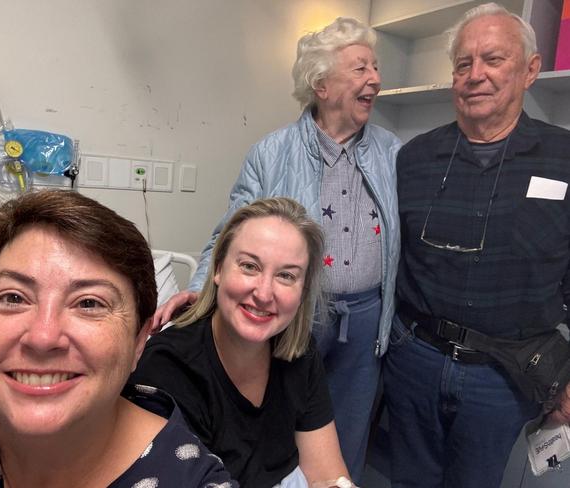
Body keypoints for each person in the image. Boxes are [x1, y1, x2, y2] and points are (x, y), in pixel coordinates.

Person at [154, 17, 402, 481]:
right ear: (322, 84)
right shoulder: (272, 152)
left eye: (375, 67)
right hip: (295, 309)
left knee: (345, 431)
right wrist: (197, 293)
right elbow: (231, 233)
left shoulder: (391, 151)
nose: (375, 79)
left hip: (366, 317)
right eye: (360, 68)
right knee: (278, 419)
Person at [0, 189, 236, 487]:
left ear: (139, 342)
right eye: (14, 297)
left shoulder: (188, 478)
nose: (43, 337)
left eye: (89, 303)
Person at [384, 3, 570, 487]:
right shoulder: (414, 158)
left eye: (493, 59)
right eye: (463, 64)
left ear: (530, 70)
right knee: (407, 480)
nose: (475, 75)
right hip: (414, 361)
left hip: (505, 376)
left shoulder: (564, 158)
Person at [131, 197, 355, 488]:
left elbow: (328, 475)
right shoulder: (168, 368)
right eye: (249, 266)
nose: (263, 293)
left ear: (303, 290)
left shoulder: (300, 353)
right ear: (218, 270)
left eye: (286, 276)